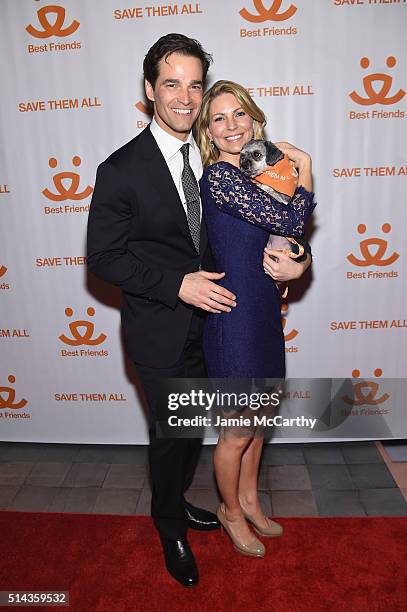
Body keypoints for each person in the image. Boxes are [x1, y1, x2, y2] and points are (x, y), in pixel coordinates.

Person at [86, 35, 238, 587]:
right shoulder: (121, 169)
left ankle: (175, 499)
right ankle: (168, 522)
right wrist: (177, 285)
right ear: (149, 90)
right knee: (171, 433)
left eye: (195, 84)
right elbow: (103, 257)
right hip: (158, 327)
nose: (185, 96)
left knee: (193, 429)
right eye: (171, 83)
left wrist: (294, 254)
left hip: (217, 324)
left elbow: (254, 223)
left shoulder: (218, 155)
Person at [195, 80, 316, 556]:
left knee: (259, 420)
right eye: (219, 118)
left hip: (264, 309)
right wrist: (305, 167)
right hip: (234, 317)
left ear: (253, 119)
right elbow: (290, 220)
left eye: (238, 115)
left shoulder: (259, 175)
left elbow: (290, 238)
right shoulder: (221, 178)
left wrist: (299, 261)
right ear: (207, 129)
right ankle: (228, 510)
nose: (231, 126)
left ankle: (248, 499)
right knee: (237, 428)